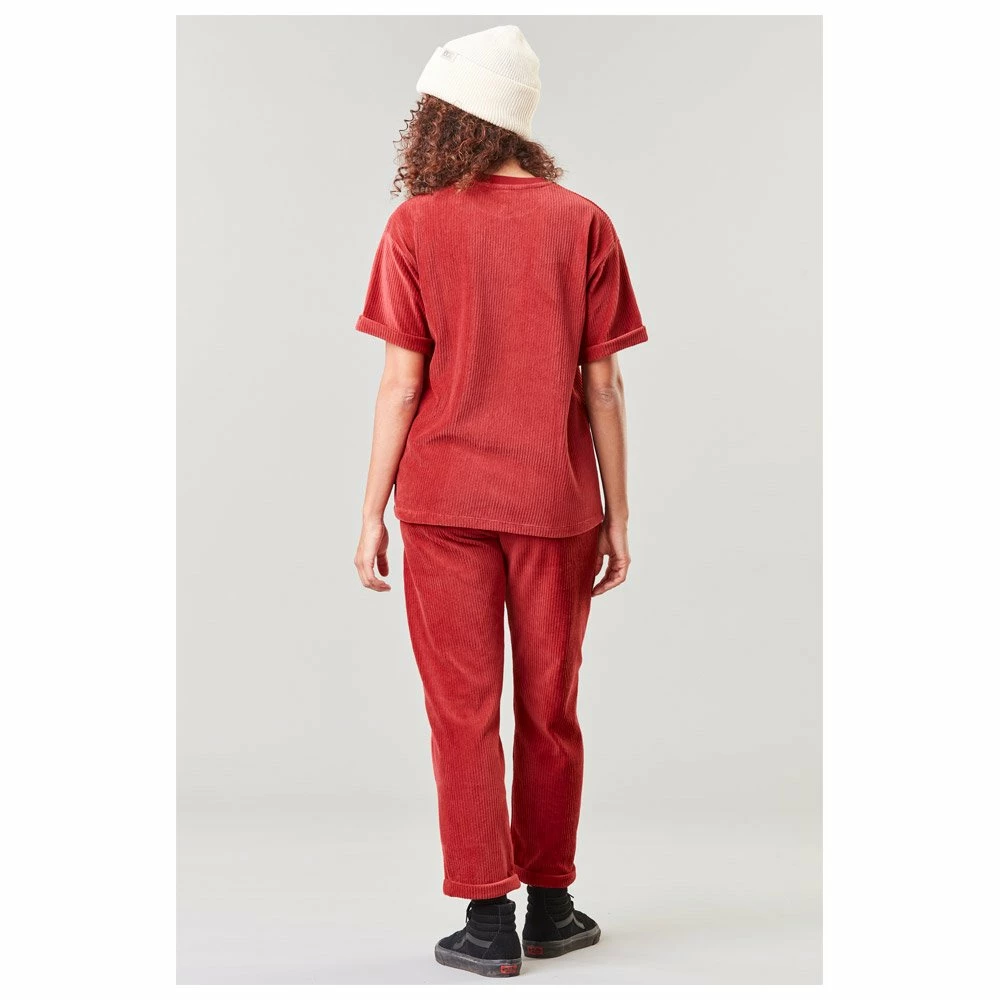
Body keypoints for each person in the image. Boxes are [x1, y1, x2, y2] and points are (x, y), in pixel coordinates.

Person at [353, 24, 648, 978]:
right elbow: (603, 387)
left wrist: (369, 511)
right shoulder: (583, 221)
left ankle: (487, 920)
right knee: (550, 707)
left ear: (445, 119)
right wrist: (618, 513)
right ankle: (552, 907)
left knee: (462, 712)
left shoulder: (416, 225)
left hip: (442, 502)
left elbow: (401, 385)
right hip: (556, 502)